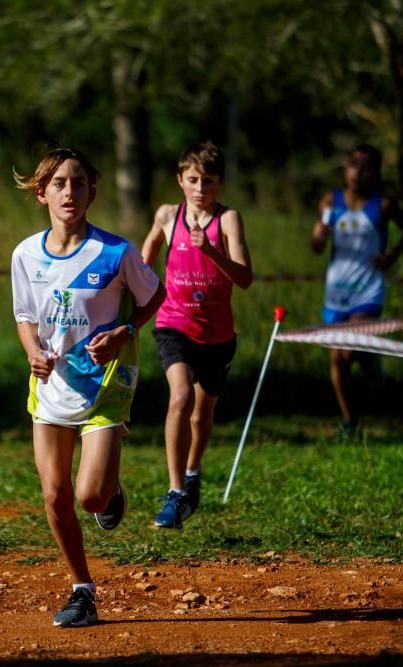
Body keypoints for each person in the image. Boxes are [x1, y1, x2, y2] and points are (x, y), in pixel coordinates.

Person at [11, 146, 166, 627]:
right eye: (59, 184)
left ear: (92, 191)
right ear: (42, 193)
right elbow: (25, 316)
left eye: (79, 183)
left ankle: (110, 490)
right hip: (51, 386)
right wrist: (32, 352)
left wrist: (127, 331)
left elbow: (155, 293)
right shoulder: (25, 255)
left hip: (105, 386)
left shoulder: (116, 252)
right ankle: (82, 590)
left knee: (89, 498)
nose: (70, 192)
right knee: (54, 495)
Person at [141, 141, 253, 529]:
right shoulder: (168, 215)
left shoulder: (229, 220)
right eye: (192, 180)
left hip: (218, 335)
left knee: (202, 416)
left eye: (207, 181)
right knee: (181, 398)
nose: (199, 188)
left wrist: (211, 252)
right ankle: (174, 492)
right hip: (173, 324)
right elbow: (151, 246)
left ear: (220, 183)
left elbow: (245, 278)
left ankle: (192, 474)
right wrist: (138, 278)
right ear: (180, 180)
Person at [311, 144, 403, 436]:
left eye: (367, 165)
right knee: (337, 359)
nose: (359, 171)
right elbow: (317, 247)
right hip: (336, 292)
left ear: (376, 172)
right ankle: (350, 421)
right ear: (346, 168)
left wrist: (392, 255)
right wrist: (318, 236)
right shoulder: (330, 202)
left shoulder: (383, 206)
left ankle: (370, 363)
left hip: (367, 291)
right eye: (354, 164)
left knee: (347, 350)